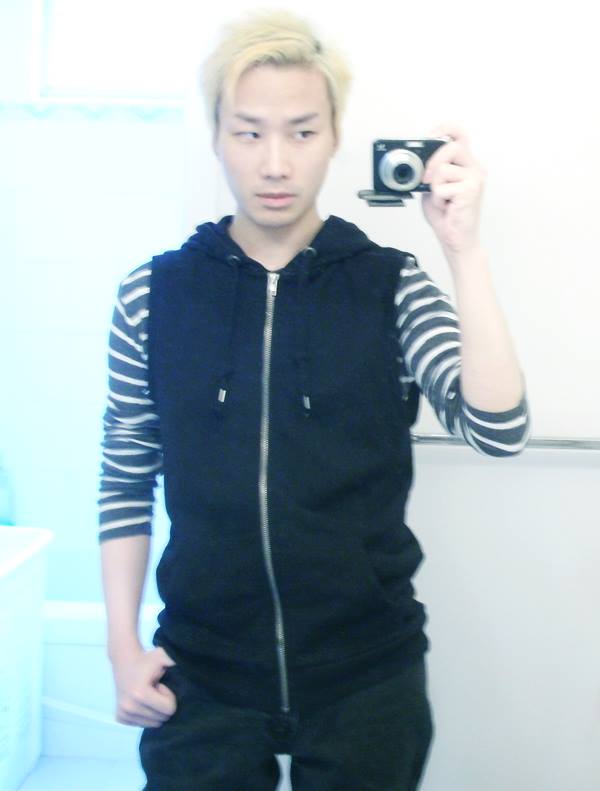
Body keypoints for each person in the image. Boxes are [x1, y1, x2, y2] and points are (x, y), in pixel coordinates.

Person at [98, 9, 530, 791]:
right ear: (216, 135)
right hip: (203, 676)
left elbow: (498, 429)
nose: (275, 162)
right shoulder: (152, 294)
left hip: (367, 679)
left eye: (301, 132)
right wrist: (122, 648)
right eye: (248, 132)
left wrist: (463, 248)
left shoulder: (392, 286)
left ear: (334, 138)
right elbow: (125, 478)